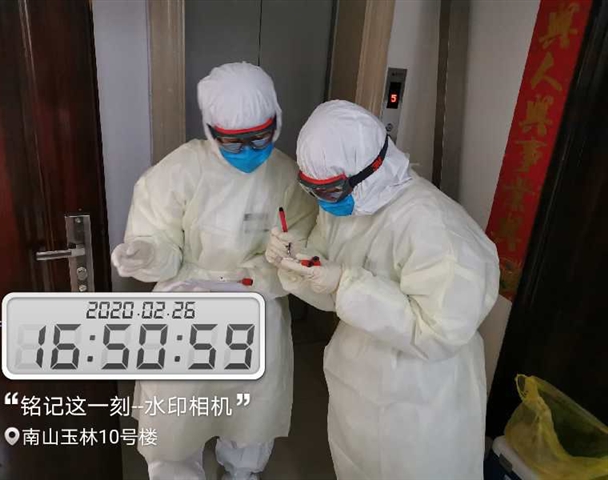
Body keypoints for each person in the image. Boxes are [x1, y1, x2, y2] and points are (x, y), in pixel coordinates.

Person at [267, 100, 500, 480]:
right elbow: (330, 283)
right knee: (356, 463)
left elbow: (438, 332)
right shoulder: (347, 204)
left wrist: (346, 284)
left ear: (373, 168)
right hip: (357, 372)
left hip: (421, 396)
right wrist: (299, 259)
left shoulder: (437, 228)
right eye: (313, 190)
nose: (323, 202)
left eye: (330, 190)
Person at [112, 62, 317, 480]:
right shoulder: (179, 171)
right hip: (185, 306)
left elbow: (302, 243)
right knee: (176, 414)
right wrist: (146, 254)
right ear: (210, 130)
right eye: (233, 141)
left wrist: (276, 263)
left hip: (255, 304)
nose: (248, 150)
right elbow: (162, 245)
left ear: (276, 122)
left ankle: (243, 471)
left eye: (259, 137)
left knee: (249, 408)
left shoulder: (286, 176)